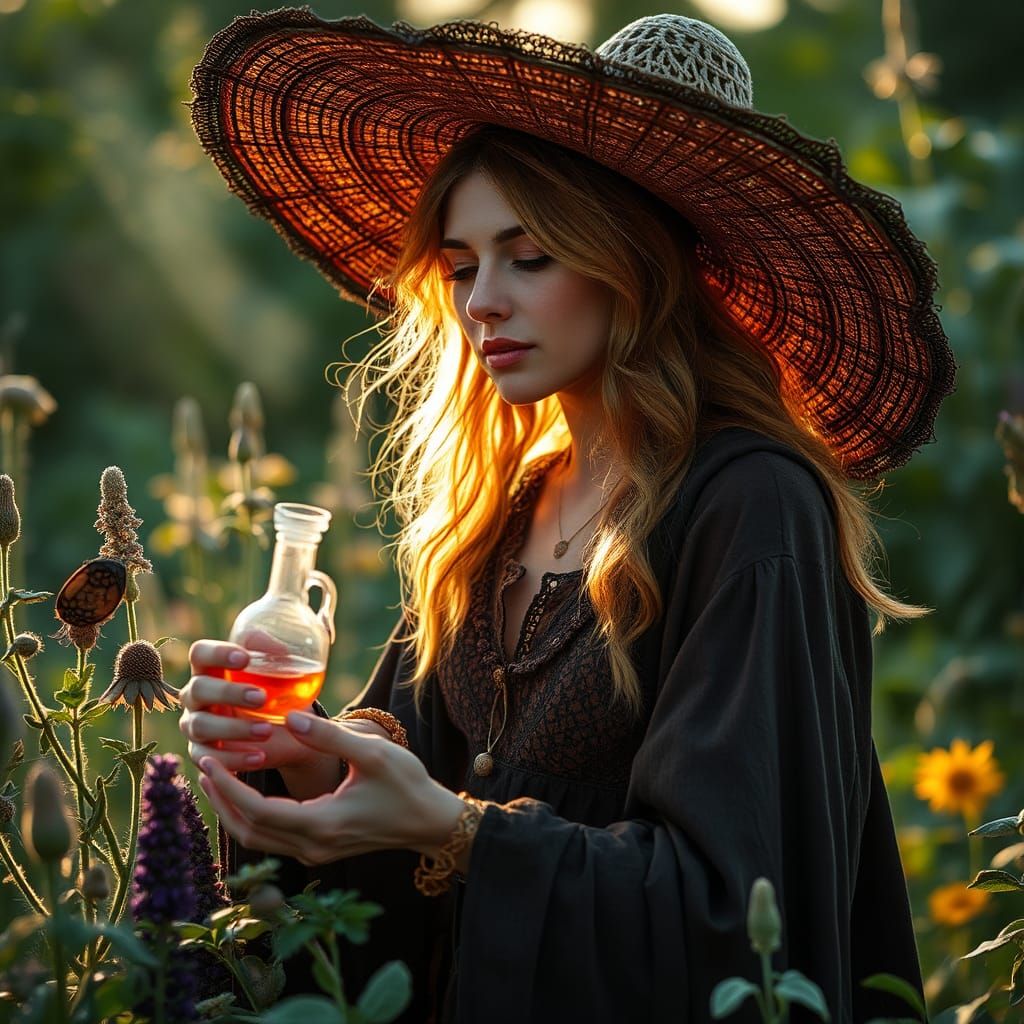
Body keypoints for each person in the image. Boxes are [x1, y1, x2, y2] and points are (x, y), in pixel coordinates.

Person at [180, 10, 956, 1023]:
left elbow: (737, 913)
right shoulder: (494, 518)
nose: (480, 303)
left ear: (635, 263)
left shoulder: (753, 509)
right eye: (461, 266)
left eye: (530, 256)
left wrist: (459, 833)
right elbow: (404, 811)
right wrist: (313, 760)